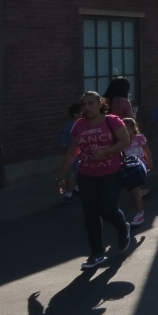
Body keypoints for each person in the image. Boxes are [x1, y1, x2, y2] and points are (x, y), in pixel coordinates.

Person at [56, 92, 132, 270]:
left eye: (90, 103)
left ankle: (122, 227)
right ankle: (96, 253)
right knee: (90, 214)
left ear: (100, 104)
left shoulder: (112, 121)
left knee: (108, 208)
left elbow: (124, 141)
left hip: (111, 172)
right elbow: (72, 151)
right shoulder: (79, 125)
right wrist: (62, 176)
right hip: (86, 174)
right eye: (84, 104)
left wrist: (105, 152)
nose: (87, 107)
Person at [122, 118, 150, 226]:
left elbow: (146, 150)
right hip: (127, 166)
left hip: (137, 166)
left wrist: (149, 161)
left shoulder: (139, 138)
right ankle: (137, 209)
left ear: (133, 128)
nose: (126, 131)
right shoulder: (122, 141)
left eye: (127, 129)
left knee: (135, 190)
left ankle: (140, 213)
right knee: (131, 191)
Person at [57, 102, 82, 201]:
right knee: (72, 175)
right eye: (81, 113)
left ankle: (75, 188)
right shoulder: (76, 126)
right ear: (76, 114)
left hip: (71, 153)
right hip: (75, 155)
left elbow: (63, 140)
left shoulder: (68, 126)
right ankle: (68, 194)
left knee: (75, 174)